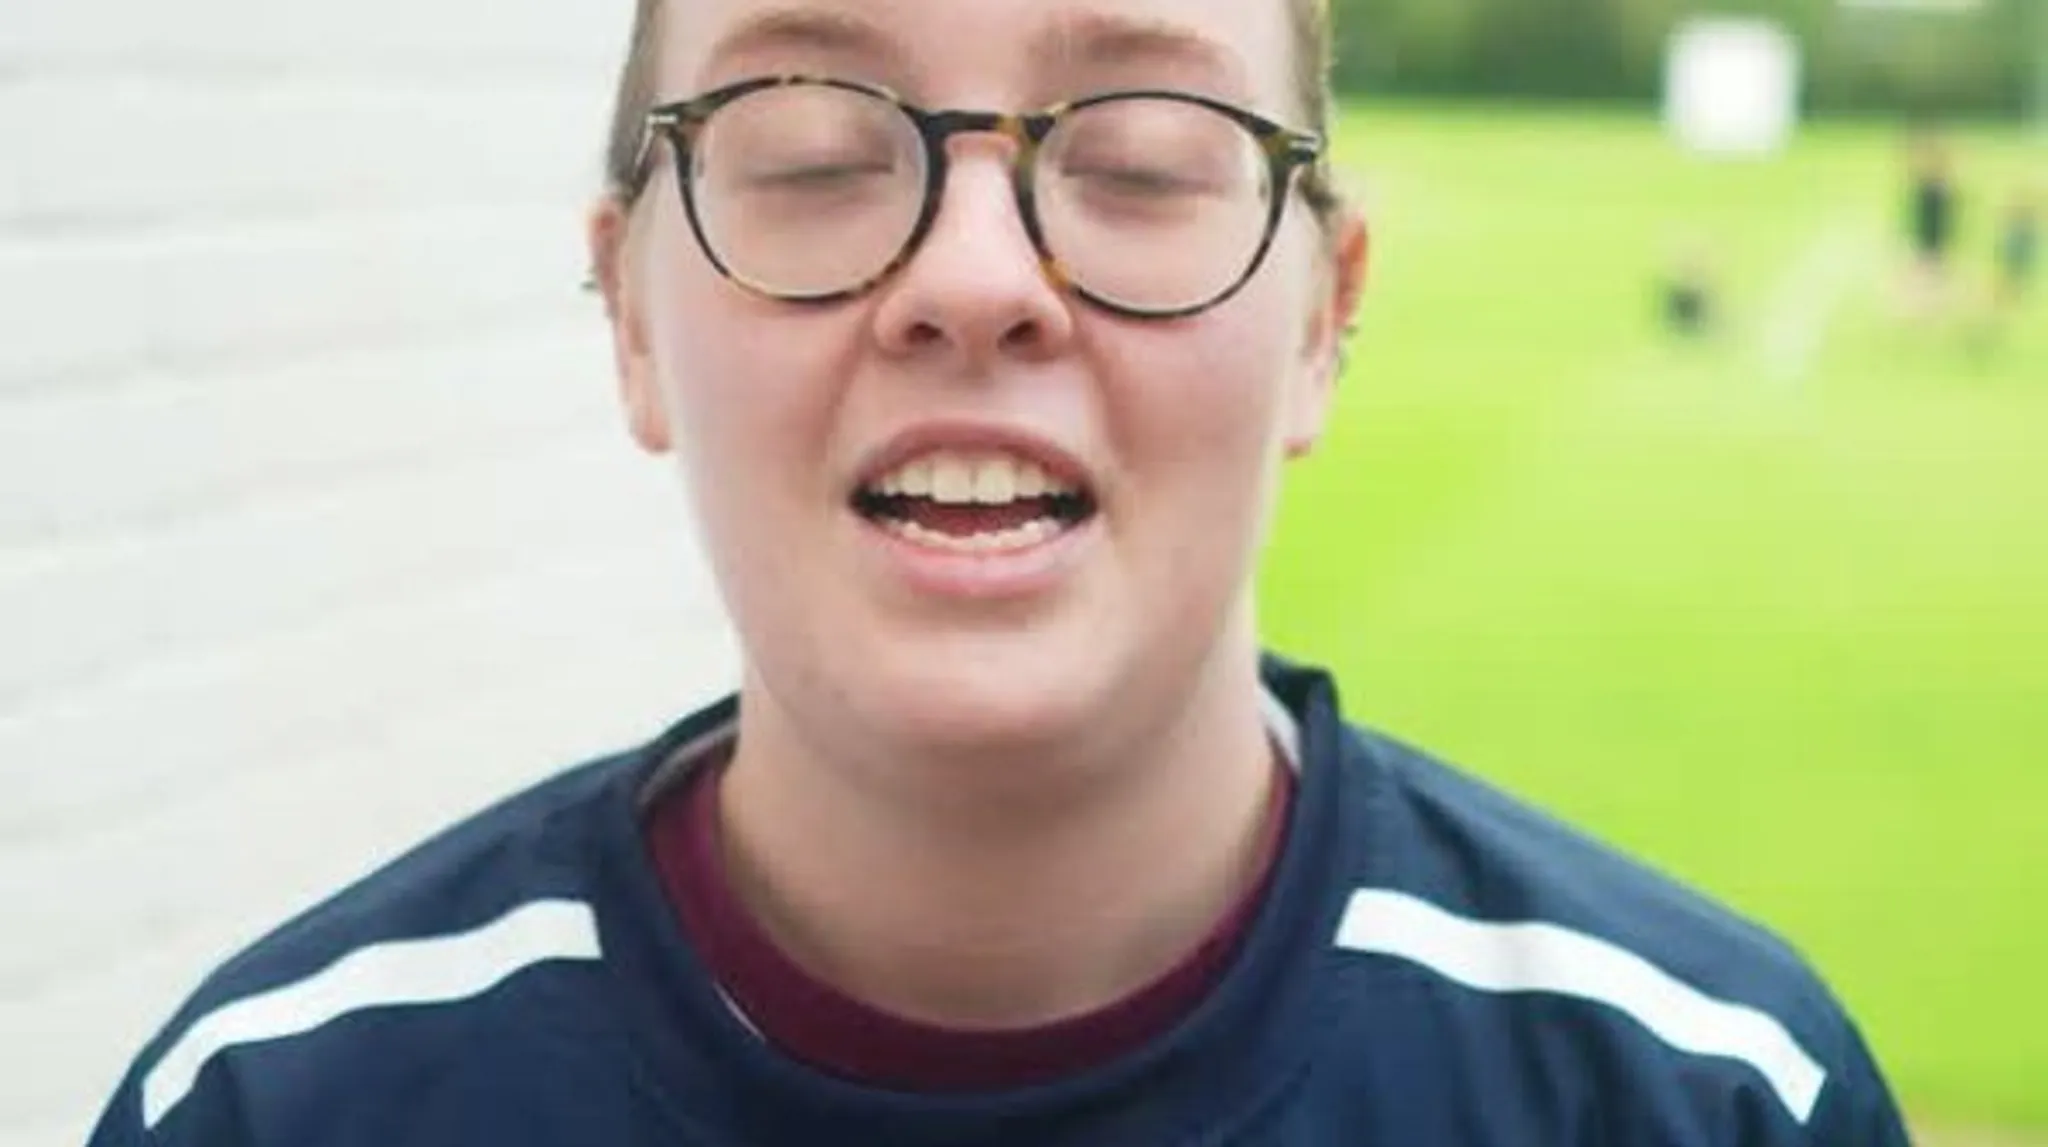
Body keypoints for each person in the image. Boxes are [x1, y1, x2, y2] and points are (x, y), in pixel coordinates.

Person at [87, 1, 1913, 1144]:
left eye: (1137, 158)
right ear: (630, 314)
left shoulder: (1701, 1099)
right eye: (807, 151)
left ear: (1322, 326)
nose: (977, 275)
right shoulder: (275, 1104)